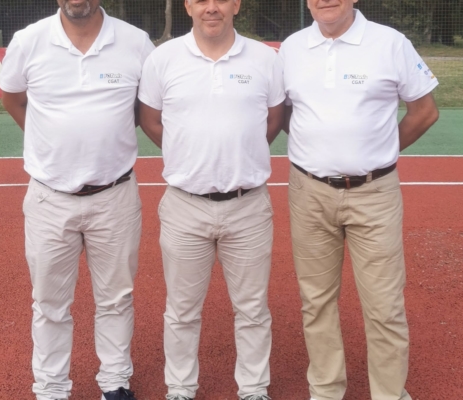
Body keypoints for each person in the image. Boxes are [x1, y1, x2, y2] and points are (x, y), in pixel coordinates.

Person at [275, 0, 439, 399]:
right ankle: (326, 390)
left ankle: (389, 393)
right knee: (316, 302)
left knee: (384, 306)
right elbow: (284, 114)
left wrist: (379, 152)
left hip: (374, 194)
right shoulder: (291, 48)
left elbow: (425, 111)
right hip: (309, 193)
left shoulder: (390, 43)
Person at [0, 1, 154, 399]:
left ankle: (115, 383)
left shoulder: (136, 42)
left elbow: (143, 107)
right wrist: (51, 144)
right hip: (50, 197)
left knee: (116, 299)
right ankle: (51, 388)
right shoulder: (28, 41)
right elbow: (13, 99)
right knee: (49, 302)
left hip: (115, 195)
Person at [138, 0, 285, 399]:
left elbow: (274, 118)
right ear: (188, 6)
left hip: (248, 205)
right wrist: (187, 155)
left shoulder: (264, 59)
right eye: (201, 0)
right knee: (181, 310)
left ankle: (253, 389)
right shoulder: (163, 58)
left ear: (236, 4)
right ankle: (180, 388)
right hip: (185, 205)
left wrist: (241, 152)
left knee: (252, 310)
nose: (212, 8)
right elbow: (150, 119)